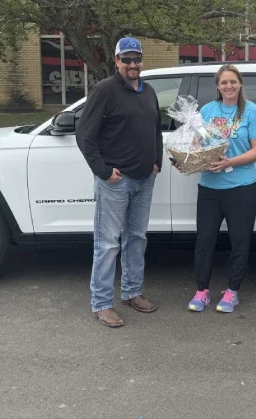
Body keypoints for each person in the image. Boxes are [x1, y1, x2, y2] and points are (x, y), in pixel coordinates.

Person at [75, 37, 162, 328]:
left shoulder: (148, 91)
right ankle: (101, 303)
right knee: (108, 244)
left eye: (137, 59)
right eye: (127, 59)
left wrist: (156, 161)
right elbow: (84, 135)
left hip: (143, 179)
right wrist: (102, 171)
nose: (133, 65)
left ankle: (132, 292)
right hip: (116, 181)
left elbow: (155, 130)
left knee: (137, 238)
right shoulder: (105, 91)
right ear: (116, 61)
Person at [181, 65, 256, 314]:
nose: (229, 86)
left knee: (239, 241)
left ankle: (232, 291)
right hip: (209, 187)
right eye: (224, 83)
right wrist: (190, 155)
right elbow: (197, 144)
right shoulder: (207, 110)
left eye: (233, 82)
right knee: (204, 240)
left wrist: (230, 161)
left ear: (240, 84)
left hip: (241, 187)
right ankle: (202, 290)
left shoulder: (252, 112)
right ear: (217, 86)